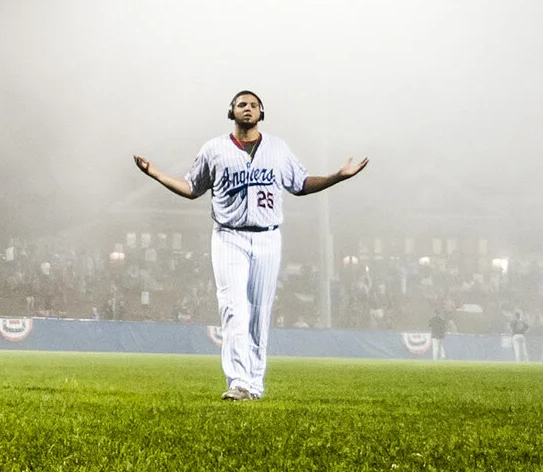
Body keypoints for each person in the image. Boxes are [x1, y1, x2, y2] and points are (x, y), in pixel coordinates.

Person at [134, 90, 368, 401]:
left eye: (253, 105)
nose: (248, 108)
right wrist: (157, 174)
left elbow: (299, 184)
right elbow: (192, 188)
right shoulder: (214, 149)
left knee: (259, 313)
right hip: (229, 236)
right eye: (241, 104)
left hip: (268, 236)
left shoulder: (277, 148)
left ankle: (255, 384)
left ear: (261, 113)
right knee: (233, 309)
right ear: (231, 111)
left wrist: (337, 177)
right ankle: (239, 382)